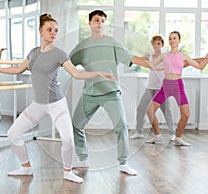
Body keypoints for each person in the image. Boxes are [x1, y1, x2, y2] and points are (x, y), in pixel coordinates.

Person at [0, 13, 115, 183]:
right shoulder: (33, 52)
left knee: (68, 138)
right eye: (49, 30)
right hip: (38, 105)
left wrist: (97, 73)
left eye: (56, 30)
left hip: (57, 104)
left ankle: (68, 171)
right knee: (13, 134)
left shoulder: (60, 54)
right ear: (41, 32)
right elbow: (19, 69)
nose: (53, 33)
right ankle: (26, 168)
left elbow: (76, 73)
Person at [70, 10, 163, 176]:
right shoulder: (82, 46)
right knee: (76, 124)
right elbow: (66, 63)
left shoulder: (111, 42)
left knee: (121, 127)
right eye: (96, 20)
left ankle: (123, 163)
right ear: (90, 23)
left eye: (102, 21)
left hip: (110, 93)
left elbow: (132, 58)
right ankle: (82, 158)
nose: (99, 23)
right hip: (89, 93)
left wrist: (151, 66)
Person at [146, 31, 208, 146]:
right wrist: (156, 67)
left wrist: (207, 59)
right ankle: (157, 136)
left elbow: (200, 66)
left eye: (174, 38)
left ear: (179, 40)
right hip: (166, 85)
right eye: (170, 38)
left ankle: (178, 137)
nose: (172, 40)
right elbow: (150, 64)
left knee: (186, 115)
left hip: (178, 85)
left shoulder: (183, 56)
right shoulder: (164, 55)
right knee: (150, 111)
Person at [130, 35, 176, 142]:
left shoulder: (165, 56)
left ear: (162, 45)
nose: (156, 46)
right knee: (140, 108)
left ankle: (172, 133)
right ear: (152, 45)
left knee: (167, 111)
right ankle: (139, 132)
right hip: (149, 87)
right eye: (154, 44)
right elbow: (137, 59)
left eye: (158, 44)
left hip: (161, 89)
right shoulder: (149, 56)